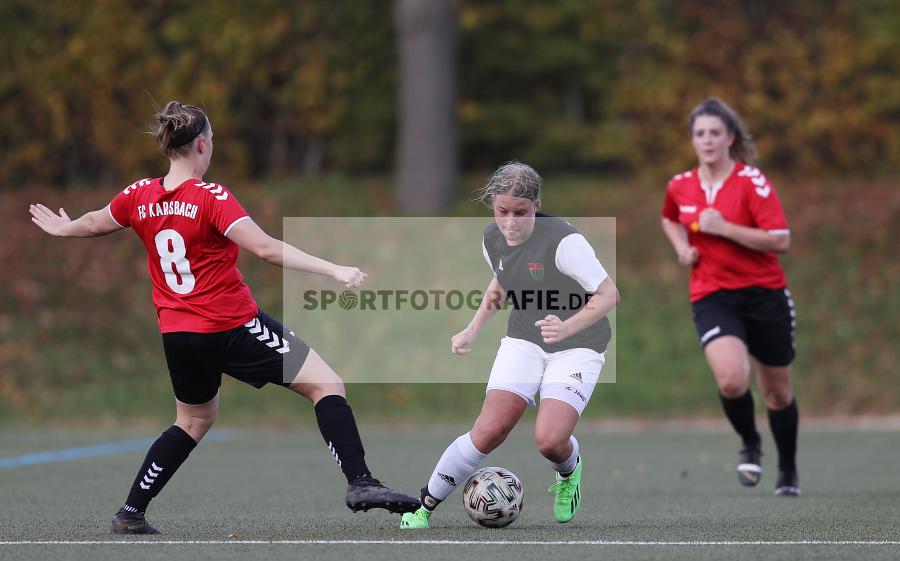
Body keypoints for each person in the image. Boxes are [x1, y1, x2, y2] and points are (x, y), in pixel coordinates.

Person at [29, 101, 420, 534]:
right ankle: (361, 483)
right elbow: (267, 249)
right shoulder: (211, 197)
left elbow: (97, 222)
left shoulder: (138, 194)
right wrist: (334, 269)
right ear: (201, 144)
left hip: (177, 334)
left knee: (193, 420)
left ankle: (131, 512)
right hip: (231, 326)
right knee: (326, 384)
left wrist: (64, 228)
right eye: (211, 141)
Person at [400, 161, 619, 529]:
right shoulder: (492, 238)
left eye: (520, 212)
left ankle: (569, 472)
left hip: (579, 345)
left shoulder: (564, 242)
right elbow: (501, 284)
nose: (511, 222)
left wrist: (566, 327)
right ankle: (423, 507)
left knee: (550, 441)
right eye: (502, 211)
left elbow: (609, 294)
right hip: (524, 341)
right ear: (492, 206)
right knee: (488, 431)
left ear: (536, 205)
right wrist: (472, 329)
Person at [660, 97, 800, 496]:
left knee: (777, 391)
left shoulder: (751, 182)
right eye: (700, 134)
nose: (707, 140)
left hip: (765, 294)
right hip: (713, 295)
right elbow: (670, 217)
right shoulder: (680, 185)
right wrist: (681, 245)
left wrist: (724, 228)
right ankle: (750, 442)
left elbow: (781, 240)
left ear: (730, 138)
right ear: (692, 140)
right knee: (732, 378)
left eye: (715, 133)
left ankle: (787, 468)